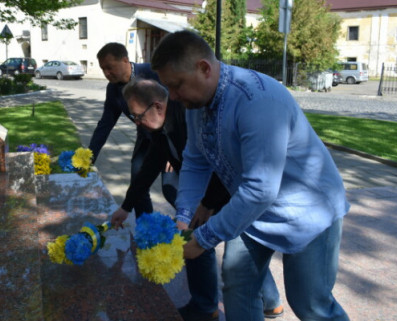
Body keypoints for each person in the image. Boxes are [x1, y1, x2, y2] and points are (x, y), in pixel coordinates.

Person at [150, 30, 350, 321]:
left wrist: (202, 238)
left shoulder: (257, 100)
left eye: (177, 86)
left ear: (204, 68)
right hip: (253, 212)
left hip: (308, 210)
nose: (175, 98)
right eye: (169, 89)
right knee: (238, 285)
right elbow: (195, 160)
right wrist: (184, 216)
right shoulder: (197, 102)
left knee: (310, 304)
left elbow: (260, 189)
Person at [113, 77, 283, 321]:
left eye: (137, 116)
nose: (137, 123)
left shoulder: (188, 119)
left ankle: (211, 307)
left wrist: (207, 204)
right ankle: (254, 303)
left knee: (234, 251)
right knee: (216, 245)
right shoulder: (160, 129)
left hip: (230, 193)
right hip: (206, 194)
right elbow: (149, 169)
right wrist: (126, 207)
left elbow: (221, 165)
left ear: (157, 107)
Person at [88, 42, 161, 217]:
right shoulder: (113, 90)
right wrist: (88, 157)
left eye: (110, 67)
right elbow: (105, 124)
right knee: (138, 186)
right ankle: (146, 234)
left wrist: (174, 146)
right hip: (146, 139)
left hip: (172, 138)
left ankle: (200, 240)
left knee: (172, 191)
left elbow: (177, 109)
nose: (106, 73)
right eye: (103, 69)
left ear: (125, 60)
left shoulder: (152, 73)